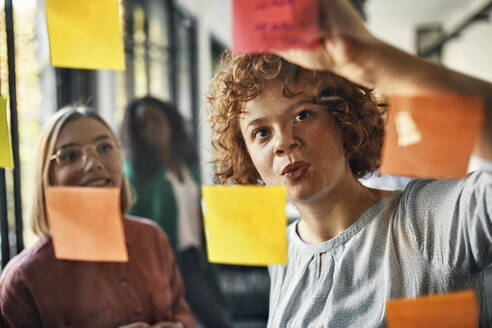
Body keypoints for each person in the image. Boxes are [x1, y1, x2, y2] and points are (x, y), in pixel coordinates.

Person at [206, 0, 492, 327]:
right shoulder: (285, 251)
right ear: (247, 155)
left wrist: (364, 58)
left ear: (343, 120)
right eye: (261, 132)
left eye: (303, 114)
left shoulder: (427, 222)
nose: (283, 141)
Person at [0, 107, 193, 328]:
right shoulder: (23, 279)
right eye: (70, 155)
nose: (94, 163)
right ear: (48, 176)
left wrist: (177, 326)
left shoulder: (153, 238)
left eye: (105, 147)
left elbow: (182, 312)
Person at [120, 97, 231, 328]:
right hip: (164, 263)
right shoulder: (135, 173)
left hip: (197, 258)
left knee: (216, 316)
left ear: (169, 121)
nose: (151, 128)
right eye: (143, 125)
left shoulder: (186, 163)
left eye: (156, 120)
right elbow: (129, 225)